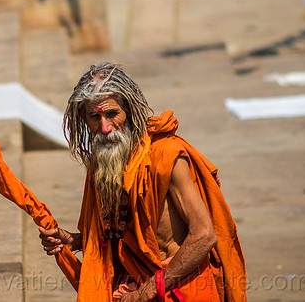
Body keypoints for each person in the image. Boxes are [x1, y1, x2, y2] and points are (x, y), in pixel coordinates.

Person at [38, 62, 246, 301]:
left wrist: (148, 291)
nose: (105, 128)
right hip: (129, 290)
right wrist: (74, 241)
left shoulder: (166, 154)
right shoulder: (103, 163)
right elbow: (120, 232)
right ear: (84, 119)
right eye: (94, 117)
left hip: (179, 289)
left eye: (112, 114)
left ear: (129, 111)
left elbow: (204, 236)